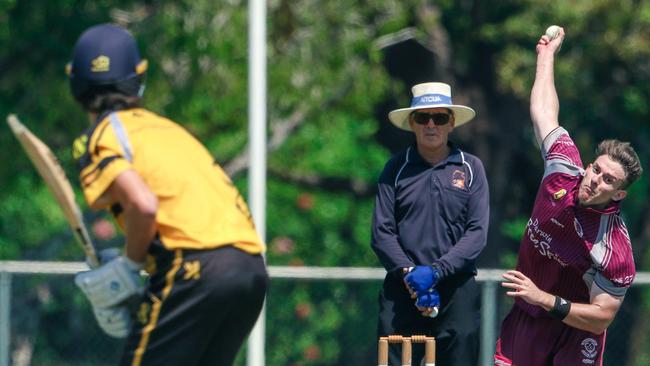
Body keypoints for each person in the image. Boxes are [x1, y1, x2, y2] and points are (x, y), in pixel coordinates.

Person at [67, 24, 268, 366]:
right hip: (249, 268)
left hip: (194, 268)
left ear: (75, 82)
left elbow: (143, 205)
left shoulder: (101, 136)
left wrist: (129, 267)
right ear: (138, 77)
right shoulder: (167, 131)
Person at [494, 27, 643, 366]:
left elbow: (602, 316)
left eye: (608, 180)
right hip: (527, 317)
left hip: (576, 332)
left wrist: (546, 299)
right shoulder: (562, 168)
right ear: (588, 165)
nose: (596, 181)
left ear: (618, 193)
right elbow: (544, 112)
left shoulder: (614, 247)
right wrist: (546, 56)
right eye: (596, 170)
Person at [371, 82, 490, 365]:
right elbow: (381, 232)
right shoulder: (395, 168)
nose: (431, 125)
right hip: (403, 286)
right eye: (423, 118)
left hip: (456, 287)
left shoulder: (471, 167)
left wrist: (436, 273)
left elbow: (477, 232)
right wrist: (412, 275)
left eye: (439, 117)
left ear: (451, 122)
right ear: (412, 122)